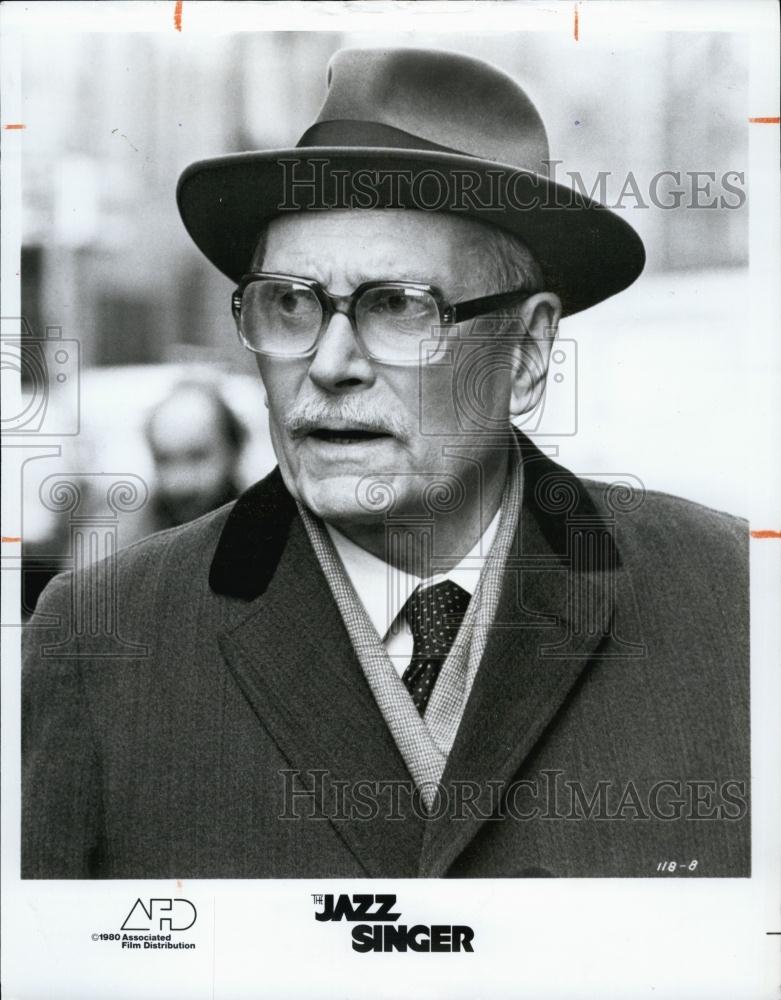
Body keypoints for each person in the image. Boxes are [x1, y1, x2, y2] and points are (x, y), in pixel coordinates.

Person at [22, 48, 749, 879]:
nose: (329, 363)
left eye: (398, 306)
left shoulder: (734, 606)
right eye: (289, 303)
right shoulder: (99, 643)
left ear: (528, 351)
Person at [143, 379, 246, 531]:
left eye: (197, 457)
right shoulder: (126, 544)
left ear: (234, 451)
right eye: (165, 460)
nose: (182, 482)